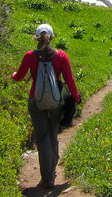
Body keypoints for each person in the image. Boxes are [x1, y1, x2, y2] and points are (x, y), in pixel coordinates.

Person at [11, 23, 81, 188]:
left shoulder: (29, 56)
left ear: (37, 37)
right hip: (56, 101)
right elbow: (69, 79)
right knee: (52, 135)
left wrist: (13, 75)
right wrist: (76, 97)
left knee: (42, 138)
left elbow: (19, 77)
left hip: (36, 101)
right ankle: (52, 171)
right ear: (52, 38)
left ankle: (47, 178)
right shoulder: (61, 56)